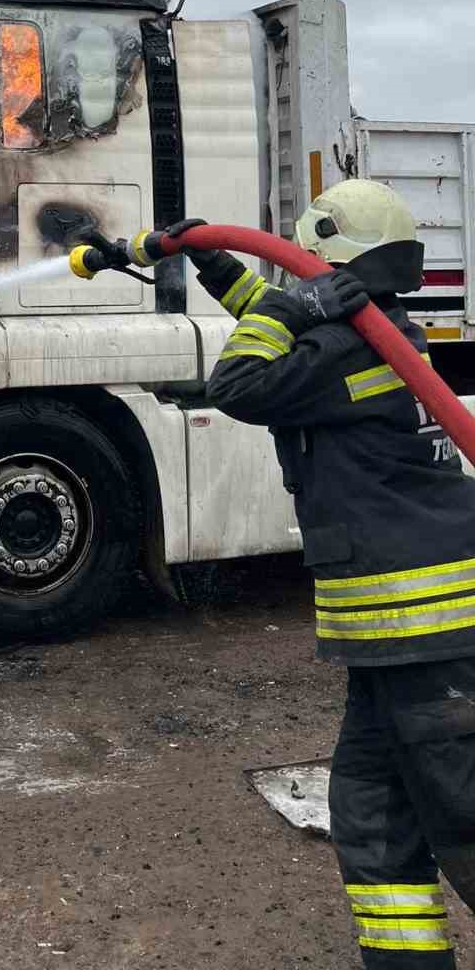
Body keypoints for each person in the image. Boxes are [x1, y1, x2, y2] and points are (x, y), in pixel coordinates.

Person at [170, 183, 475, 967]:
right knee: (373, 823)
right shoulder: (375, 333)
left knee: (465, 824)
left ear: (331, 262)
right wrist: (219, 268)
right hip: (386, 646)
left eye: (309, 265)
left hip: (428, 634)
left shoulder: (346, 344)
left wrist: (292, 304)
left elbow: (241, 383)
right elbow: (291, 334)